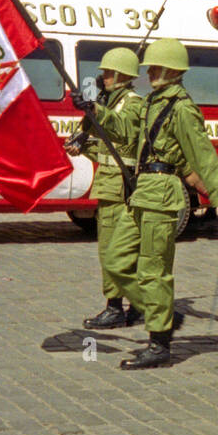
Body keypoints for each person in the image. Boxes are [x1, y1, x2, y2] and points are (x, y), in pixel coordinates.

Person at [84, 38, 218, 368]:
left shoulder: (182, 108)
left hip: (163, 195)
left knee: (154, 271)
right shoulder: (152, 102)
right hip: (141, 194)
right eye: (149, 68)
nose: (150, 73)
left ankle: (160, 341)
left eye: (155, 68)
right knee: (114, 260)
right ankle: (162, 311)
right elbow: (126, 131)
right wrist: (96, 111)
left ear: (171, 70)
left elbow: (201, 154)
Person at [68, 48, 144, 327]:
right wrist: (83, 144)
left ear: (123, 75)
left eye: (109, 73)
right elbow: (108, 148)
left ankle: (115, 306)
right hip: (110, 185)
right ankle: (135, 303)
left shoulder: (132, 104)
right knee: (117, 249)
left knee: (112, 250)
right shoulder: (114, 102)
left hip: (119, 188)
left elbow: (123, 130)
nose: (104, 77)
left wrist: (95, 108)